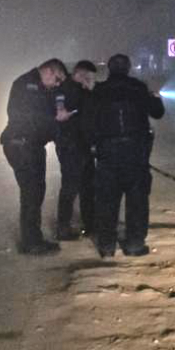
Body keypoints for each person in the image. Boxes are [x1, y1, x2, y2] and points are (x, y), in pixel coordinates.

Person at [86, 54, 164, 258]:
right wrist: (155, 97)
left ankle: (106, 246)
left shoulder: (99, 91)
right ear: (128, 68)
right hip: (135, 151)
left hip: (107, 153)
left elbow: (88, 122)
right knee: (137, 199)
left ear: (110, 69)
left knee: (106, 200)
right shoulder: (138, 88)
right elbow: (157, 112)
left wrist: (95, 145)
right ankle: (135, 244)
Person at [0, 58, 71, 254]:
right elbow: (21, 115)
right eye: (57, 79)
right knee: (31, 193)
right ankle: (32, 243)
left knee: (35, 191)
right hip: (21, 144)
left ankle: (33, 238)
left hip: (31, 145)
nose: (57, 85)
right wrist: (54, 119)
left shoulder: (43, 88)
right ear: (48, 71)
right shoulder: (25, 84)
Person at [54, 60, 98, 240]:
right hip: (73, 146)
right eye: (89, 77)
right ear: (80, 74)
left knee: (85, 187)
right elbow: (72, 113)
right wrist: (90, 92)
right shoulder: (70, 90)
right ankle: (65, 228)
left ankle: (88, 224)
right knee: (72, 187)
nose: (90, 81)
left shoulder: (74, 89)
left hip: (79, 145)